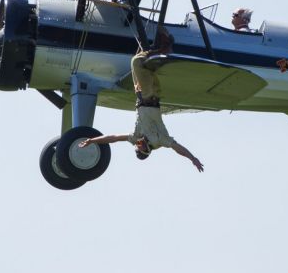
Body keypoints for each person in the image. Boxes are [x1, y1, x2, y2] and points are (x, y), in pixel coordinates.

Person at [79, 27, 204, 172]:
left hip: (141, 94)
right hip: (150, 96)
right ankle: (164, 49)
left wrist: (92, 141)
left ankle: (155, 45)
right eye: (141, 147)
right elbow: (178, 148)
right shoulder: (160, 141)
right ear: (147, 149)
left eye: (137, 147)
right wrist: (192, 158)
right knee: (136, 62)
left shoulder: (135, 137)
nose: (138, 144)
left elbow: (113, 138)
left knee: (139, 61)